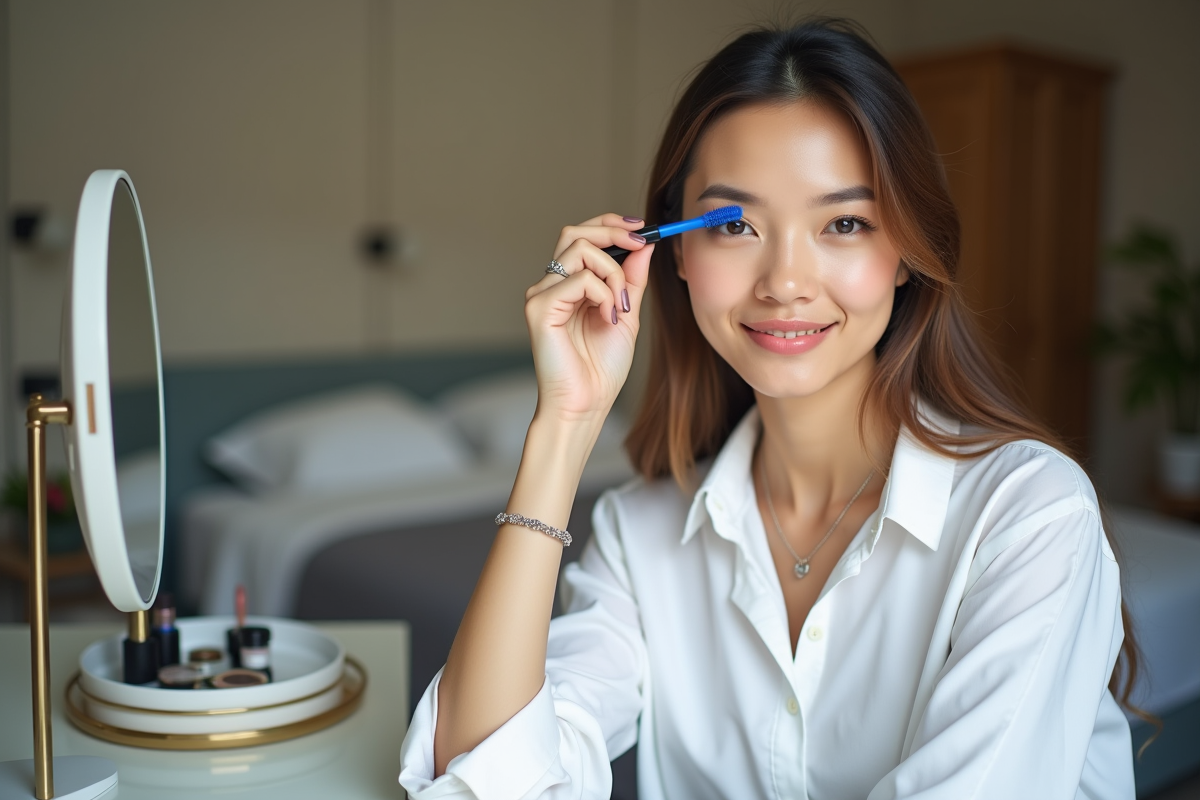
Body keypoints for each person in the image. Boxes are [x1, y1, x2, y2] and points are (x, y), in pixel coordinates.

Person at [399, 19, 1137, 799]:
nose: (785, 280)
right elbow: (486, 783)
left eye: (844, 223)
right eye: (731, 225)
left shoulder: (1027, 515)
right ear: (674, 251)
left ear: (908, 256)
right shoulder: (638, 538)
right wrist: (564, 427)